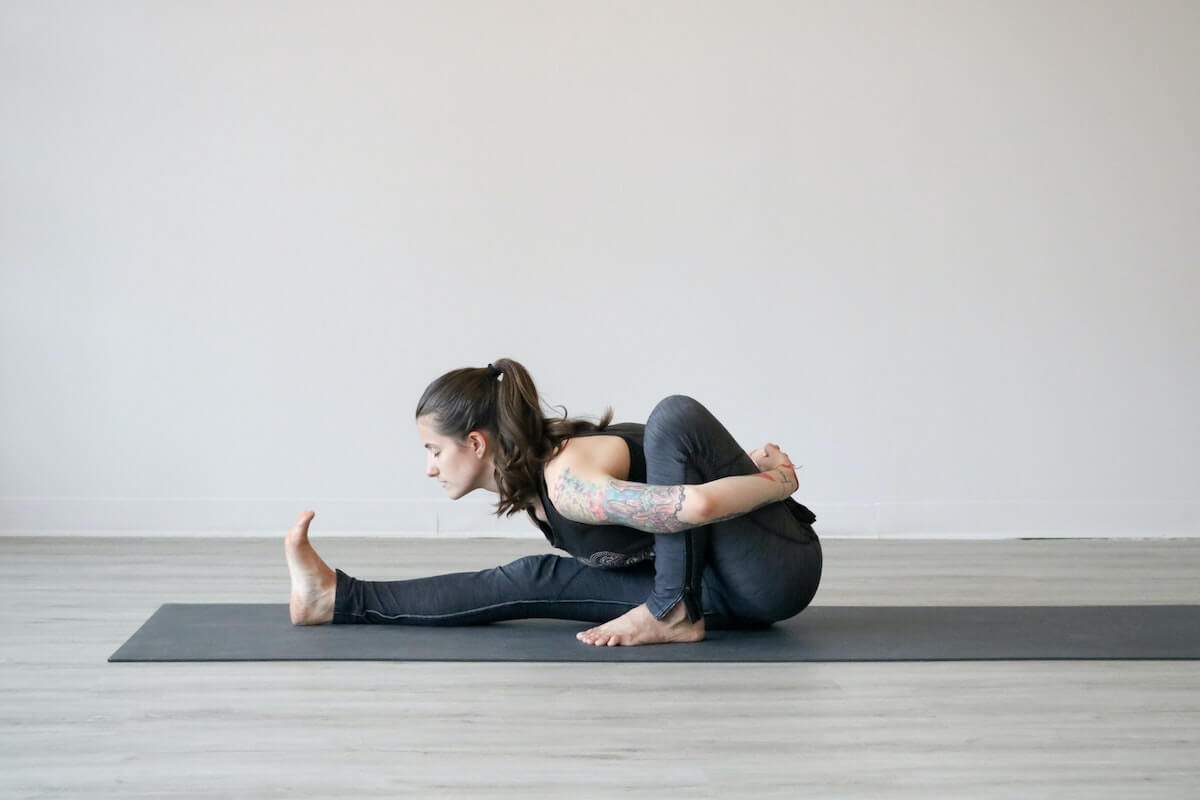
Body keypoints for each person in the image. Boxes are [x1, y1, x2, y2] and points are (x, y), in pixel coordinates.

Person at [284, 358, 822, 647]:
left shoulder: (568, 483)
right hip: (718, 582)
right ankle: (337, 599)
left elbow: (699, 507)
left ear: (475, 443)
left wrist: (780, 482)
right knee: (529, 577)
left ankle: (672, 613)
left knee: (672, 414)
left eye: (433, 449)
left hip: (773, 573)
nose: (429, 466)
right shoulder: (539, 488)